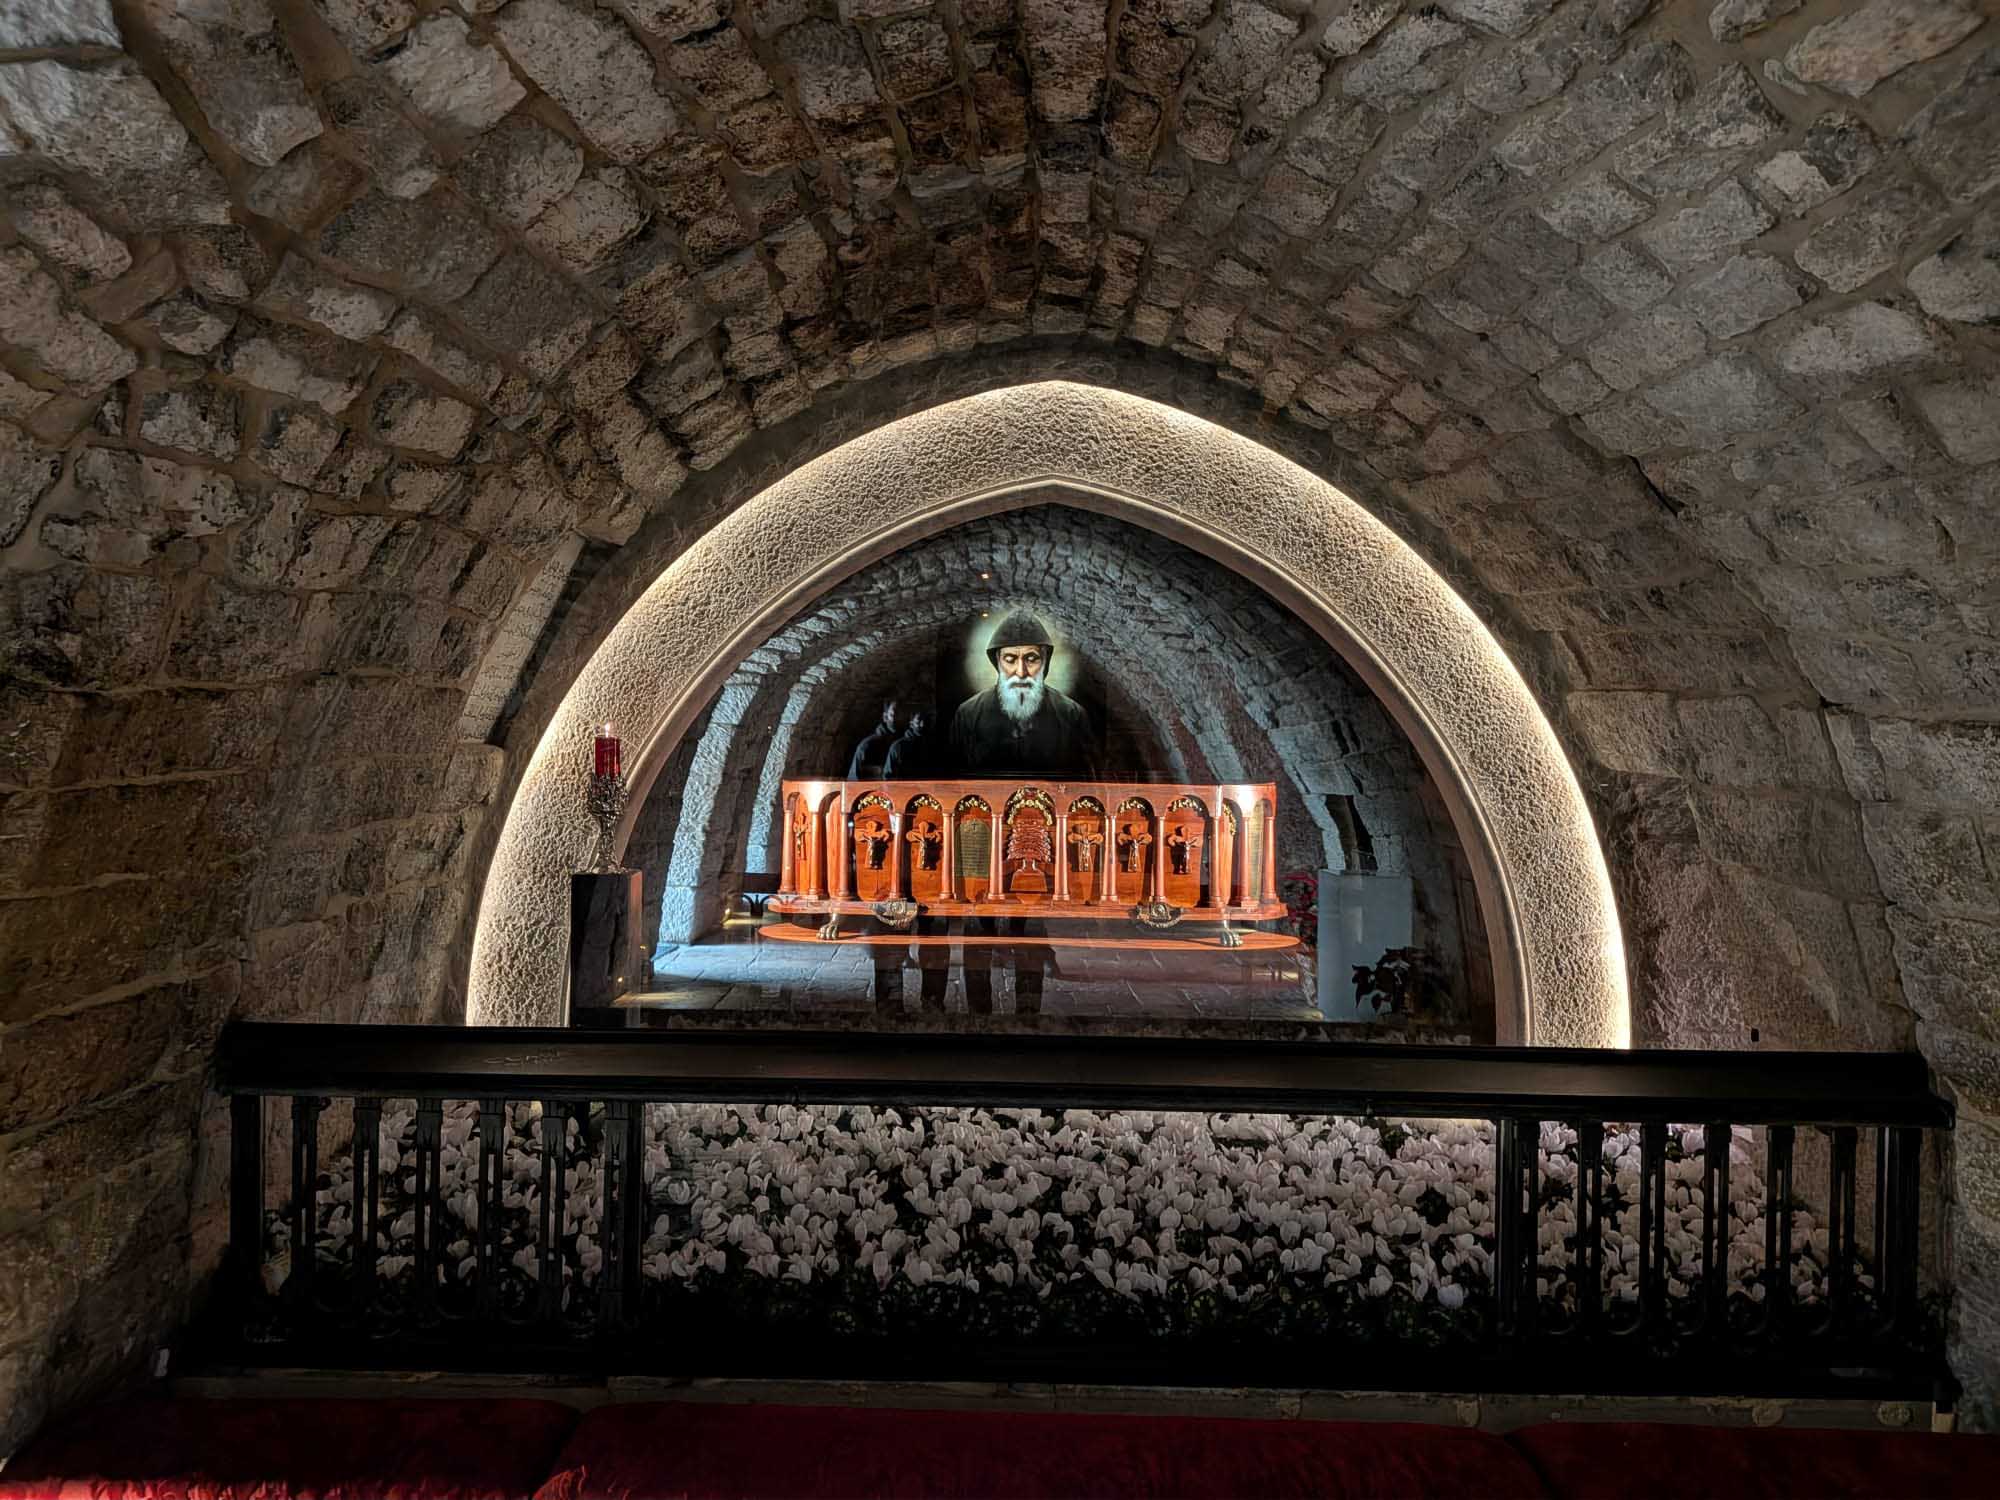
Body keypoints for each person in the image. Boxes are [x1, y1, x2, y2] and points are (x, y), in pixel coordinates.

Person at [947, 611, 1095, 779]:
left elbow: (1087, 782)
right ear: (998, 661)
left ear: (1045, 661)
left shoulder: (1071, 715)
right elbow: (954, 780)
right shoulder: (969, 714)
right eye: (1010, 659)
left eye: (1031, 659)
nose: (1021, 672)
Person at [846, 699, 899, 780]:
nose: (898, 718)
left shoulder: (906, 745)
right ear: (885, 717)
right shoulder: (867, 746)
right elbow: (853, 780)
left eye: (901, 714)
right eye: (893, 714)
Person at [880, 708, 931, 778]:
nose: (922, 724)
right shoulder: (898, 747)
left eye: (926, 721)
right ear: (911, 723)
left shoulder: (933, 746)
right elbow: (887, 776)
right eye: (919, 721)